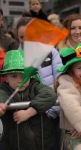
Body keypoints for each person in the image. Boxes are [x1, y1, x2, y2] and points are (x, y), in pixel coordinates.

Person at [16, 16, 62, 150]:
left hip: (53, 114)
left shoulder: (51, 52)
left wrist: (52, 110)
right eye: (21, 37)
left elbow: (60, 80)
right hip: (29, 119)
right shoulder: (15, 58)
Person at [0, 50, 57, 150]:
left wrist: (30, 112)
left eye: (24, 75)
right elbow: (2, 95)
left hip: (42, 143)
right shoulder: (3, 89)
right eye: (14, 76)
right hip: (14, 145)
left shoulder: (34, 86)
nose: (20, 80)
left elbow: (50, 95)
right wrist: (1, 104)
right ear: (6, 78)